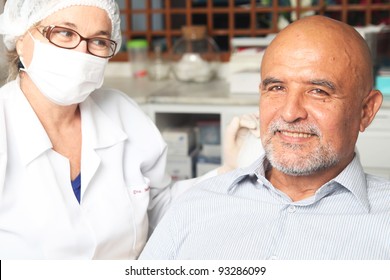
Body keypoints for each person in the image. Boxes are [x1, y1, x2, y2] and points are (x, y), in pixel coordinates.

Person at [0, 0, 253, 259]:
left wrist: (228, 173)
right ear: (21, 39)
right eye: (65, 33)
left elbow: (159, 208)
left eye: (99, 41)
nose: (81, 53)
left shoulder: (121, 112)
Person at [139, 15, 390, 260]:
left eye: (318, 91)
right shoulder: (196, 204)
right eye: (277, 88)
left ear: (365, 111)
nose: (290, 112)